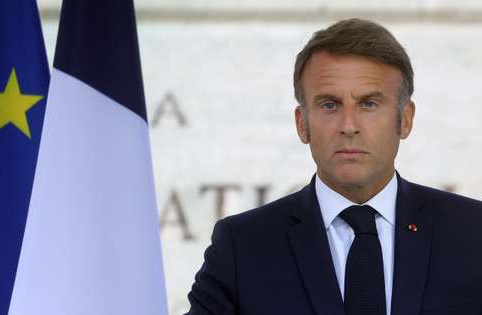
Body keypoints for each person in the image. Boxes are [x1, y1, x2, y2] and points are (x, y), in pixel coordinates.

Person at [185, 18, 482, 315]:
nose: (349, 126)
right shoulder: (243, 247)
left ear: (405, 119)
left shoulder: (472, 233)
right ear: (303, 124)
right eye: (330, 105)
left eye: (369, 104)